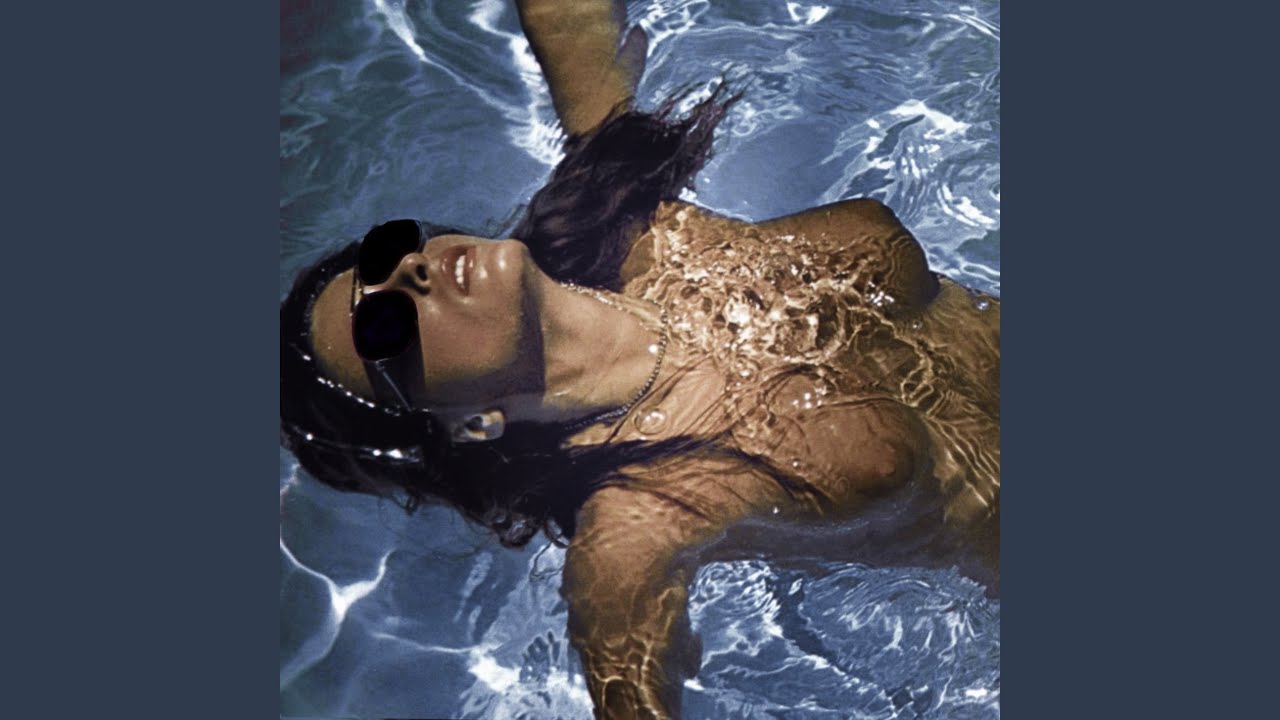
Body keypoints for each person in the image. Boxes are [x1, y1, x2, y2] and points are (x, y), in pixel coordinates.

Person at [280, 0, 999, 717]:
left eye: (386, 253)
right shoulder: (640, 520)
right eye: (385, 327)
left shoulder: (625, 216)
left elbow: (568, 20)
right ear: (468, 424)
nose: (410, 272)